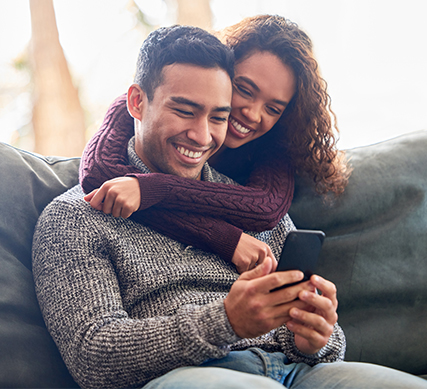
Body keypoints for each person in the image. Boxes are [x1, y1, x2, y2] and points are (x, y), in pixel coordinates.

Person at [32, 25, 427, 389]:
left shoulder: (257, 209)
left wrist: (318, 334)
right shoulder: (75, 218)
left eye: (218, 116)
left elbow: (327, 346)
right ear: (137, 102)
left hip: (303, 373)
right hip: (192, 375)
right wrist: (225, 321)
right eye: (185, 110)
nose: (202, 136)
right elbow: (93, 357)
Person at [80, 15, 351, 274]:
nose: (252, 114)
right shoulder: (138, 107)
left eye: (273, 108)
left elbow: (265, 209)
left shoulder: (274, 147)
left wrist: (151, 188)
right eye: (244, 90)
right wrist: (225, 238)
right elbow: (99, 174)